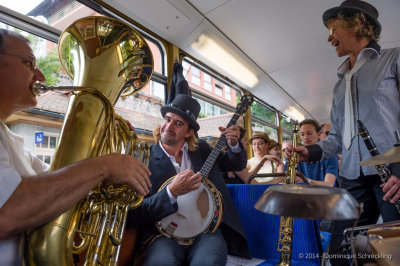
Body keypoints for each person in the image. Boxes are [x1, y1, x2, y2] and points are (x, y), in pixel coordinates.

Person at [0, 29, 152, 265]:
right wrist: (104, 165)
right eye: (29, 63)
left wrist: (103, 145)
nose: (40, 75)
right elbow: (8, 213)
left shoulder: (11, 140)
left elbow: (55, 186)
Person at [285, 1, 400, 264]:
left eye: (334, 28)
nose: (329, 37)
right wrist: (310, 150)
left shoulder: (394, 60)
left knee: (392, 253)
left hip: (391, 177)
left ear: (357, 24)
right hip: (351, 178)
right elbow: (336, 137)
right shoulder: (338, 87)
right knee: (341, 252)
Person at [127, 94, 250, 265]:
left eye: (178, 123)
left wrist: (234, 144)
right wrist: (171, 193)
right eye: (167, 119)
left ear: (189, 132)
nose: (169, 126)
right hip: (163, 234)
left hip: (206, 231)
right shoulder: (144, 158)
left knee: (209, 262)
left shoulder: (203, 150)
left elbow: (236, 163)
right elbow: (135, 212)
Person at [298, 119, 338, 187]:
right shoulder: (296, 157)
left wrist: (305, 180)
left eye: (309, 133)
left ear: (318, 134)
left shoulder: (331, 156)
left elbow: (329, 184)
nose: (306, 137)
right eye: (302, 134)